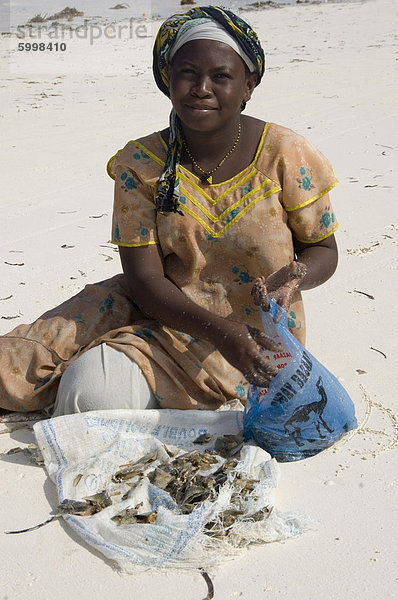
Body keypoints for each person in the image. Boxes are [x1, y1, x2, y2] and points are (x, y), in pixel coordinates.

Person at [0, 6, 338, 416]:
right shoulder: (140, 165)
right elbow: (143, 280)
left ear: (249, 85)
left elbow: (323, 250)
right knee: (56, 381)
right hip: (164, 317)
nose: (201, 88)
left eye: (221, 76)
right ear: (168, 79)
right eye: (188, 73)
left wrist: (297, 276)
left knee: (89, 401)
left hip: (259, 344)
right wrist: (220, 332)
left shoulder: (286, 154)